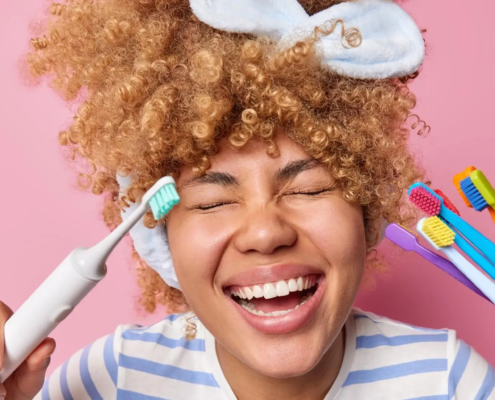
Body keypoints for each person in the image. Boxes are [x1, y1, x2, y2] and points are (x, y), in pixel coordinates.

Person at [0, 0, 493, 399]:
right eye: (213, 201)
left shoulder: (450, 381)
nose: (266, 232)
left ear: (366, 208)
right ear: (161, 237)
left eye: (309, 188)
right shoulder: (108, 381)